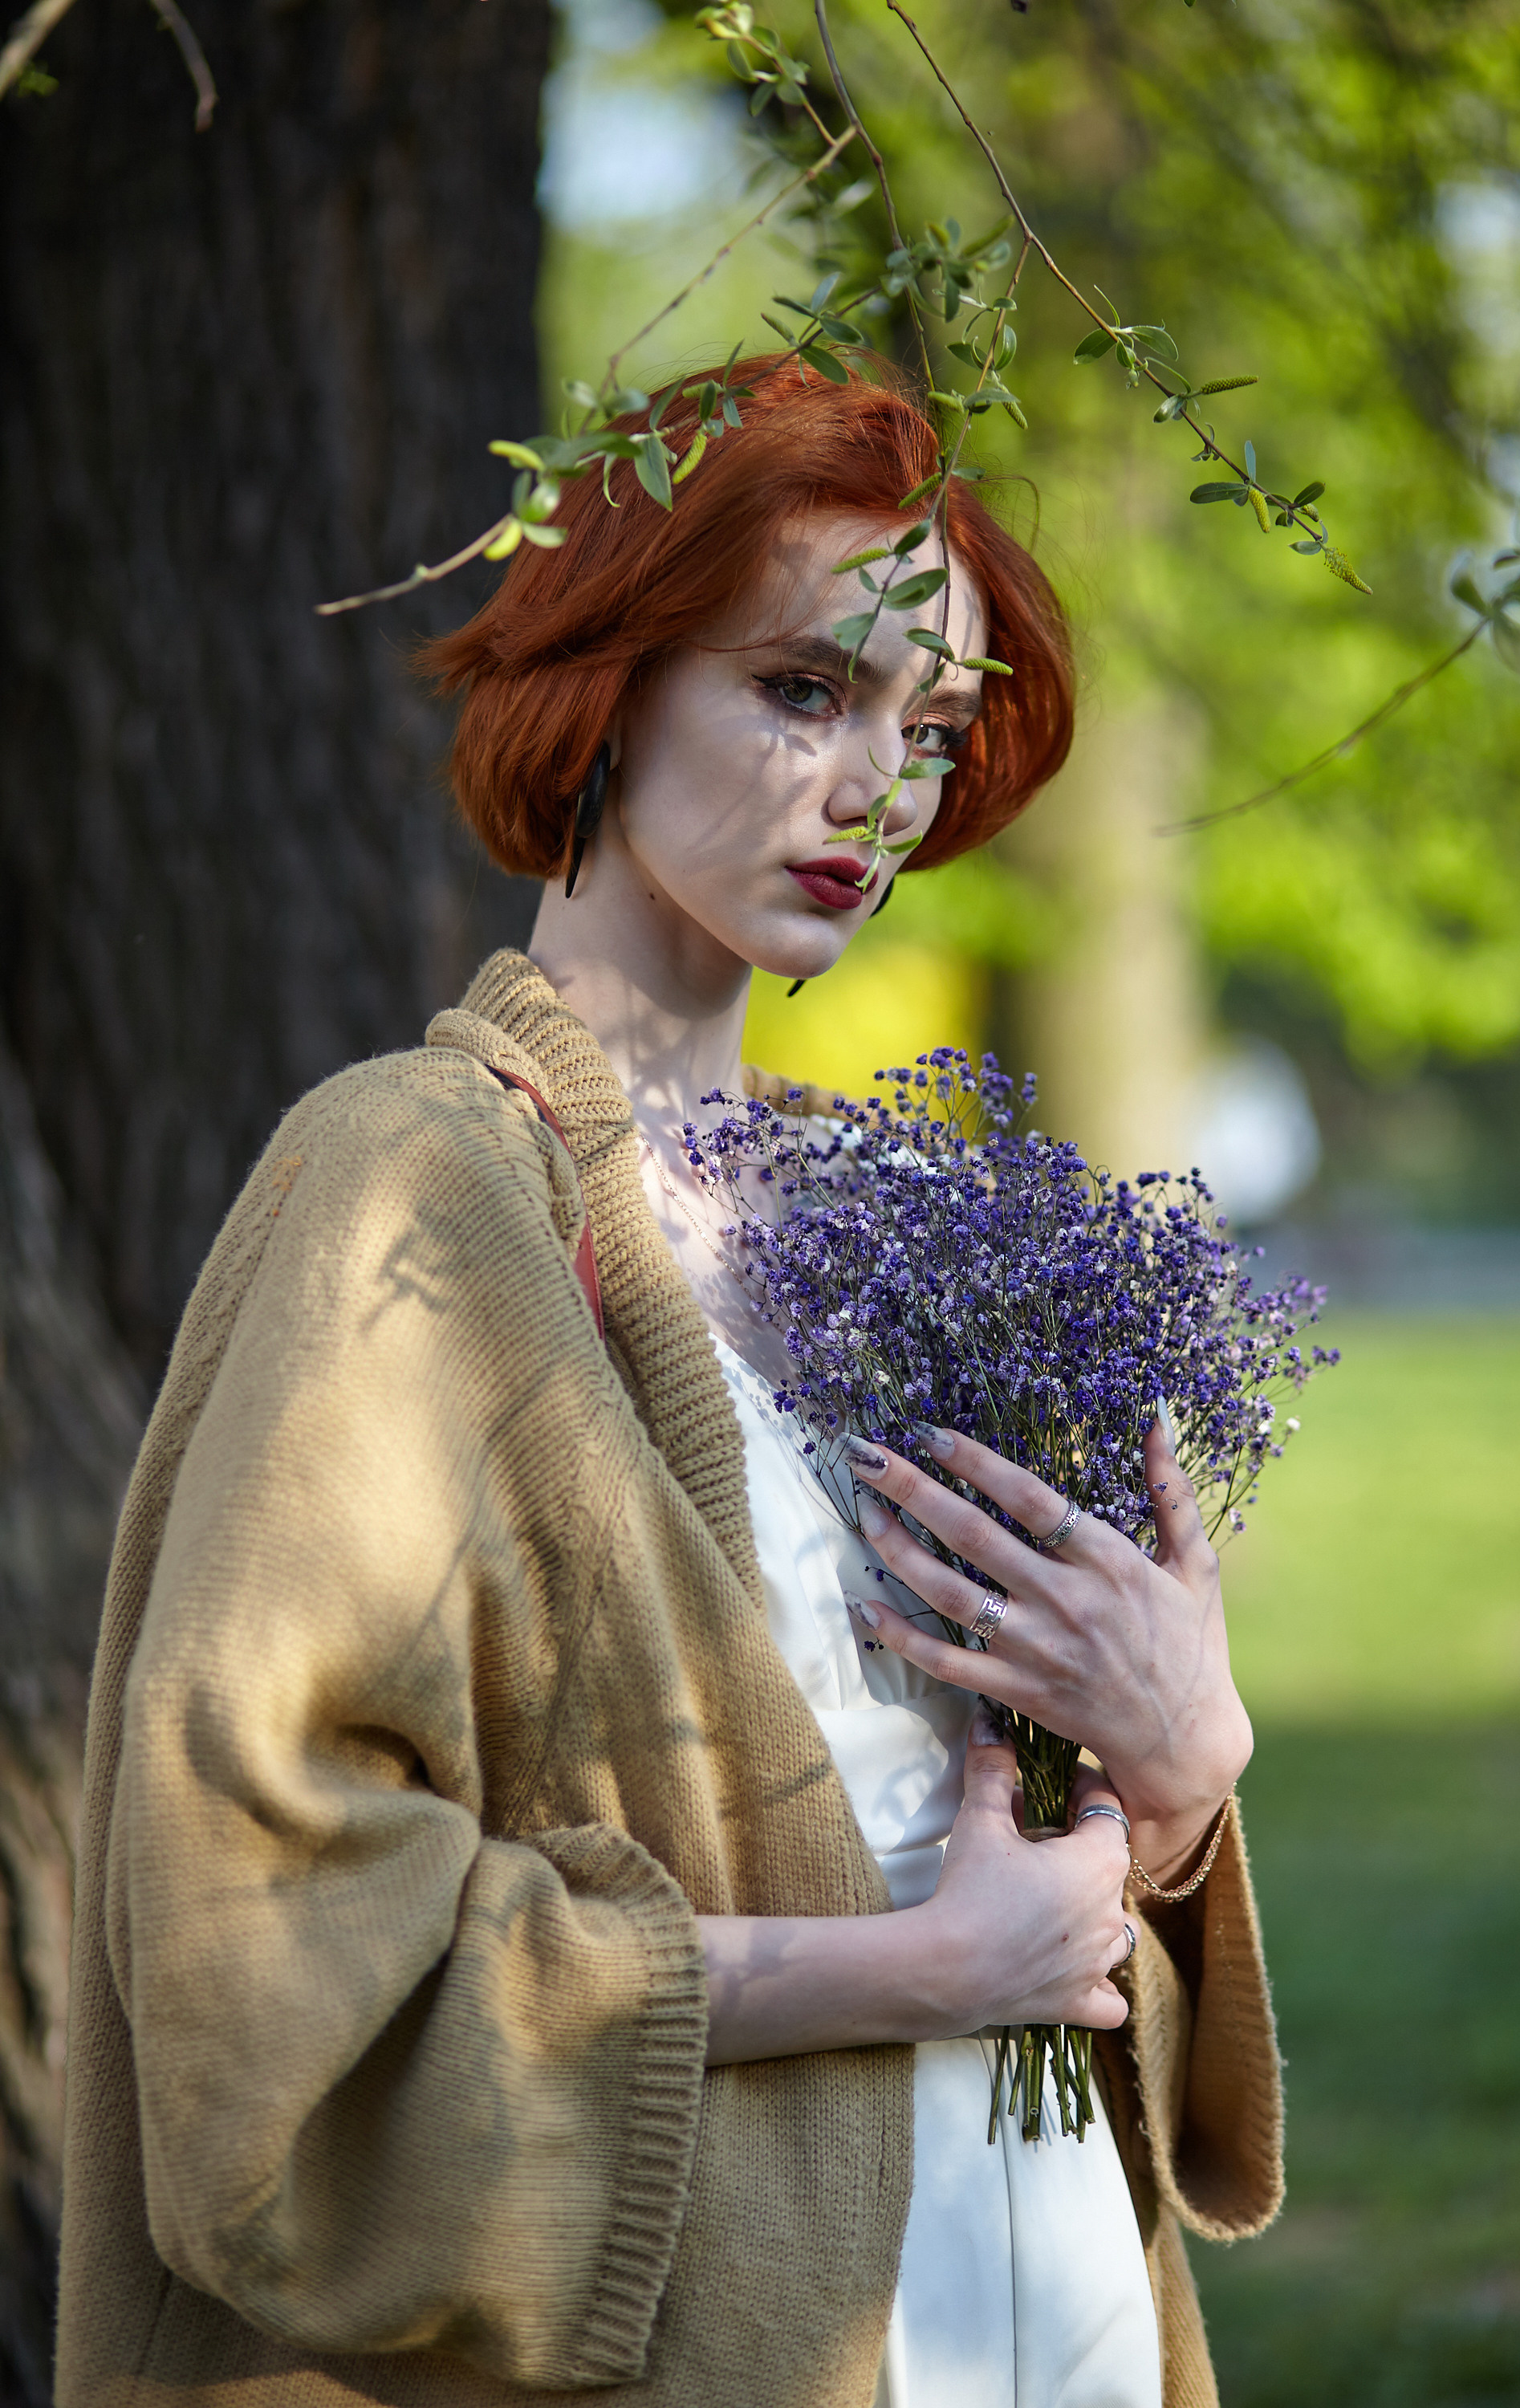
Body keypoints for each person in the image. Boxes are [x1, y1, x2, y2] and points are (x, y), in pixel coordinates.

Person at [56, 356, 1282, 2408]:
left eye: (931, 723)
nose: (879, 784)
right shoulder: (419, 1183)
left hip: (1045, 2284)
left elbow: (1030, 1842)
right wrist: (908, 1969)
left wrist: (1180, 1767)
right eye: (807, 689)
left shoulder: (900, 1214)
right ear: (608, 682)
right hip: (722, 2301)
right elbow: (259, 1922)